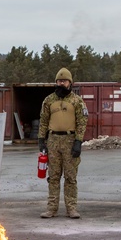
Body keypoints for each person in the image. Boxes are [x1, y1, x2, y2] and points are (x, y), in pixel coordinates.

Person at [37, 68, 88, 219]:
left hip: (70, 140)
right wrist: (41, 140)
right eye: (59, 81)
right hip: (53, 141)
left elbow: (82, 122)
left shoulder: (77, 101)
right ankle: (51, 209)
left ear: (70, 83)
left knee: (70, 177)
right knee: (53, 176)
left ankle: (71, 208)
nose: (61, 83)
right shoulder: (49, 100)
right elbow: (43, 121)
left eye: (64, 81)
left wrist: (78, 141)